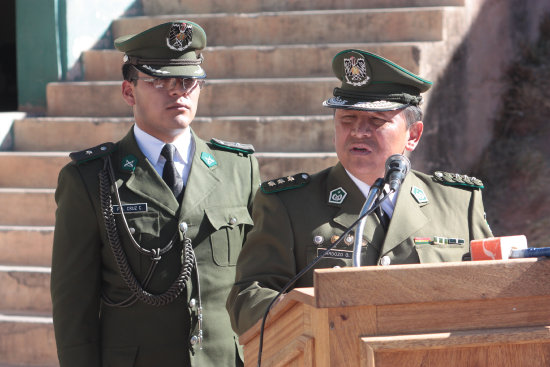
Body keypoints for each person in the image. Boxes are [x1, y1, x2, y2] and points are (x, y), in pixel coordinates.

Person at [226, 49, 493, 335]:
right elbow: (248, 302)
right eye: (347, 119)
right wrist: (326, 316)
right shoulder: (288, 204)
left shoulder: (459, 203)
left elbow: (493, 291)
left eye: (376, 121)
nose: (358, 131)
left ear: (413, 135)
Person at [51, 20, 260, 366]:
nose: (177, 91)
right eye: (160, 80)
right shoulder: (91, 179)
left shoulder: (239, 168)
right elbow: (74, 306)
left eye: (188, 81)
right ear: (128, 91)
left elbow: (260, 280)